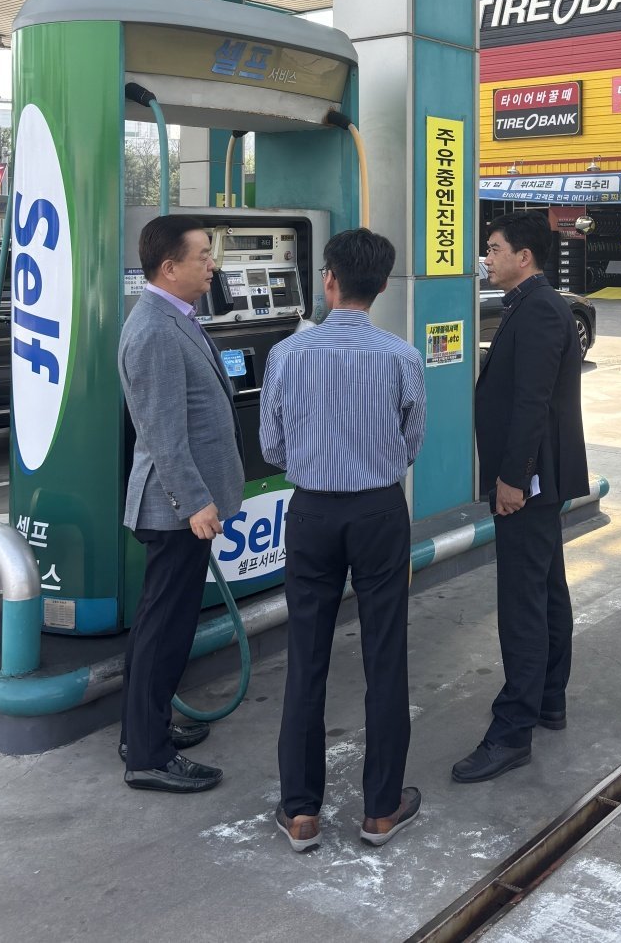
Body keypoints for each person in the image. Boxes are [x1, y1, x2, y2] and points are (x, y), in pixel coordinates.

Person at [261, 228, 426, 852]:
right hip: (380, 511)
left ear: (328, 279)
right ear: (381, 285)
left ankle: (301, 811)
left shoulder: (287, 354)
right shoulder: (401, 356)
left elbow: (272, 444)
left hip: (311, 513)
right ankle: (381, 809)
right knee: (386, 653)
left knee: (305, 654)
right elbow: (411, 440)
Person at [453, 212, 589, 783]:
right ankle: (548, 697)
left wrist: (512, 478)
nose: (486, 258)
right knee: (547, 588)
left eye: (493, 248)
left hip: (529, 482)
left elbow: (532, 402)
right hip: (540, 478)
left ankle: (513, 731)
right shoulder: (532, 305)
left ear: (523, 256)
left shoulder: (538, 311)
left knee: (523, 602)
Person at [118, 215, 245, 793]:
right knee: (162, 630)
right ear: (169, 268)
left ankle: (145, 730)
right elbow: (163, 434)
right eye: (202, 256)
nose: (212, 265)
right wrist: (194, 502)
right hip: (173, 510)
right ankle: (148, 756)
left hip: (182, 507)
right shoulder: (154, 330)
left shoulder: (175, 317)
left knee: (166, 626)